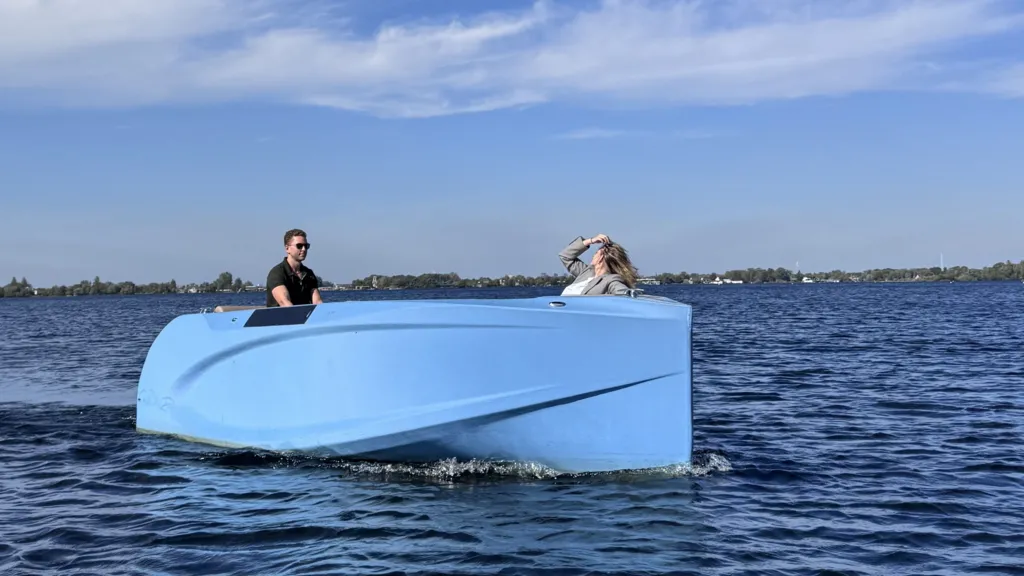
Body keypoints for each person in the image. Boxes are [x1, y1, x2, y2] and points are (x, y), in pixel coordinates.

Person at [558, 233, 639, 296]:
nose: (593, 255)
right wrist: (590, 241)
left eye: (596, 253)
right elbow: (565, 256)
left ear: (601, 258)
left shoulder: (611, 280)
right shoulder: (586, 272)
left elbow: (624, 294)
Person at [265, 228, 323, 307]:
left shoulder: (309, 274)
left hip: (303, 314)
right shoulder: (277, 273)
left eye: (306, 246)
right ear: (287, 248)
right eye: (299, 246)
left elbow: (318, 302)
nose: (304, 249)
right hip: (283, 314)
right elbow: (285, 303)